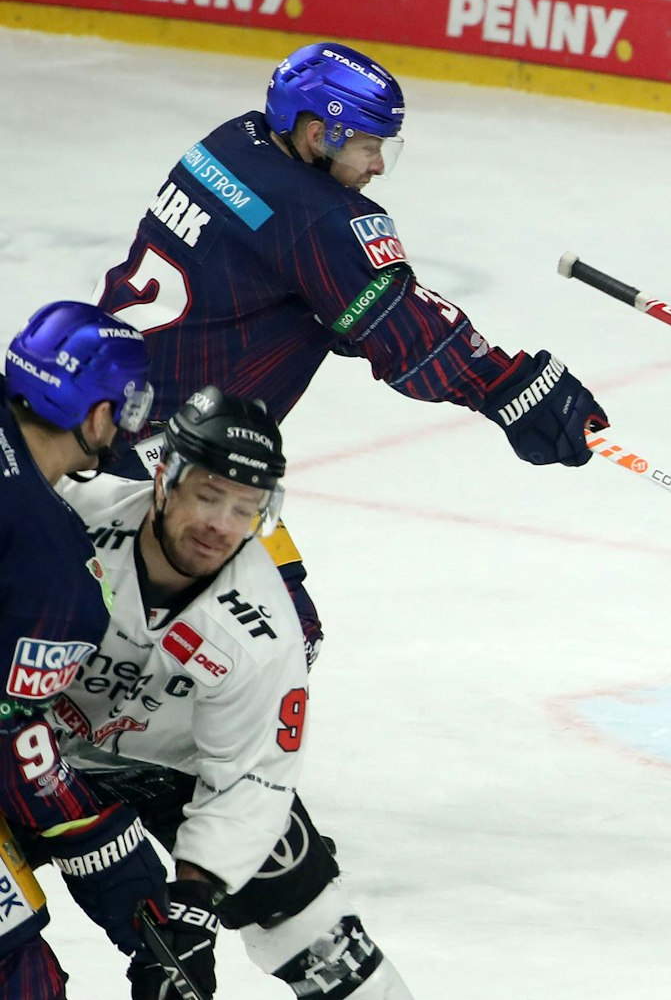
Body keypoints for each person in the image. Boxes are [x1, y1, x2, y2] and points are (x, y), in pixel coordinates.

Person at [94, 41, 607, 665]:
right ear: (319, 134)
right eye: (369, 145)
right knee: (276, 640)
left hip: (96, 414)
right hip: (164, 461)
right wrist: (515, 388)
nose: (379, 166)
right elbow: (410, 339)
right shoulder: (322, 220)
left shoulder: (234, 142)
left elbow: (307, 297)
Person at [49, 387, 411, 999]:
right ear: (164, 478)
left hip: (175, 765)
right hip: (26, 749)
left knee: (321, 941)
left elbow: (250, 779)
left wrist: (192, 910)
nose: (221, 525)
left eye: (245, 507)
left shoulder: (263, 630)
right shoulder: (68, 520)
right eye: (208, 495)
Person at [0, 301, 170, 998]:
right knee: (19, 968)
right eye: (126, 406)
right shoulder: (54, 571)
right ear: (97, 415)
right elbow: (21, 757)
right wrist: (145, 908)